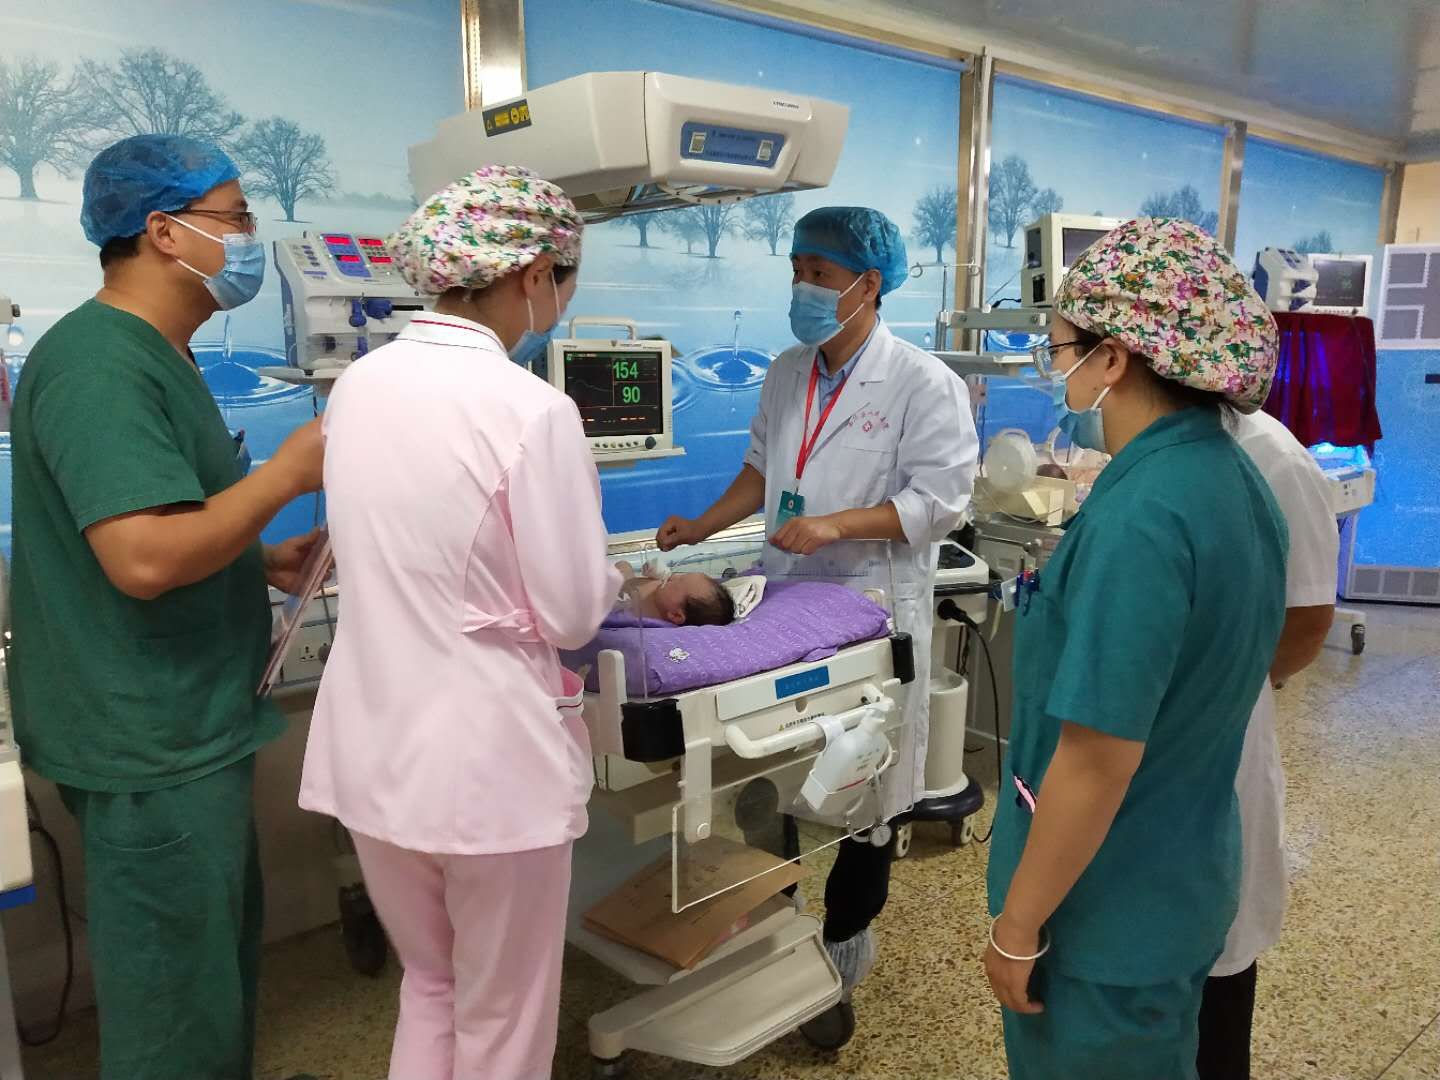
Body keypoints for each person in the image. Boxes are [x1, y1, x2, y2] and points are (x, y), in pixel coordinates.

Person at [9, 134, 324, 1080]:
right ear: (164, 231)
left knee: (210, 969)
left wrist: (256, 557)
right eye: (235, 217)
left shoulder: (160, 354)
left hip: (188, 716)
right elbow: (143, 558)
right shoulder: (99, 366)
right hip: (146, 733)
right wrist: (285, 476)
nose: (250, 236)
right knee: (175, 1008)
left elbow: (160, 513)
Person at [298, 166, 619, 1080]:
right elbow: (571, 611)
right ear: (534, 275)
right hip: (487, 768)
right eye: (565, 281)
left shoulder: (358, 386)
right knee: (503, 1013)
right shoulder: (532, 408)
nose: (561, 301)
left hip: (374, 754)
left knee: (432, 986)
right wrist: (613, 577)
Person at [983, 217, 1289, 1080]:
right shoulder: (1233, 481)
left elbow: (1096, 758)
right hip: (1175, 878)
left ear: (1112, 358)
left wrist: (1018, 925)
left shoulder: (1142, 519)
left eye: (1060, 350)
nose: (1057, 371)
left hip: (1100, 913)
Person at [656, 206, 979, 1022]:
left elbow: (941, 500)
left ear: (868, 283)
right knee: (777, 773)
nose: (803, 286)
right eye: (797, 269)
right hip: (788, 606)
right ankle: (778, 917)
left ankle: (844, 942)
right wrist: (703, 525)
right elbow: (760, 469)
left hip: (872, 607)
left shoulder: (922, 383)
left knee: (867, 794)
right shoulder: (787, 371)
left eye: (820, 274)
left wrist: (838, 524)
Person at [1198, 407, 1338, 1080]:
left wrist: (1224, 689)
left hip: (1215, 743)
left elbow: (1307, 620)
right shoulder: (1143, 443)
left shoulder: (1270, 458)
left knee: (1215, 969)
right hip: (1133, 759)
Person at [615, 561, 737, 626]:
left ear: (676, 615)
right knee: (624, 564)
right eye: (681, 576)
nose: (674, 577)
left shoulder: (643, 616)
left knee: (621, 568)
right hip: (630, 580)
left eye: (679, 581)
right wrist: (654, 571)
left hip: (619, 591)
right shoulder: (664, 593)